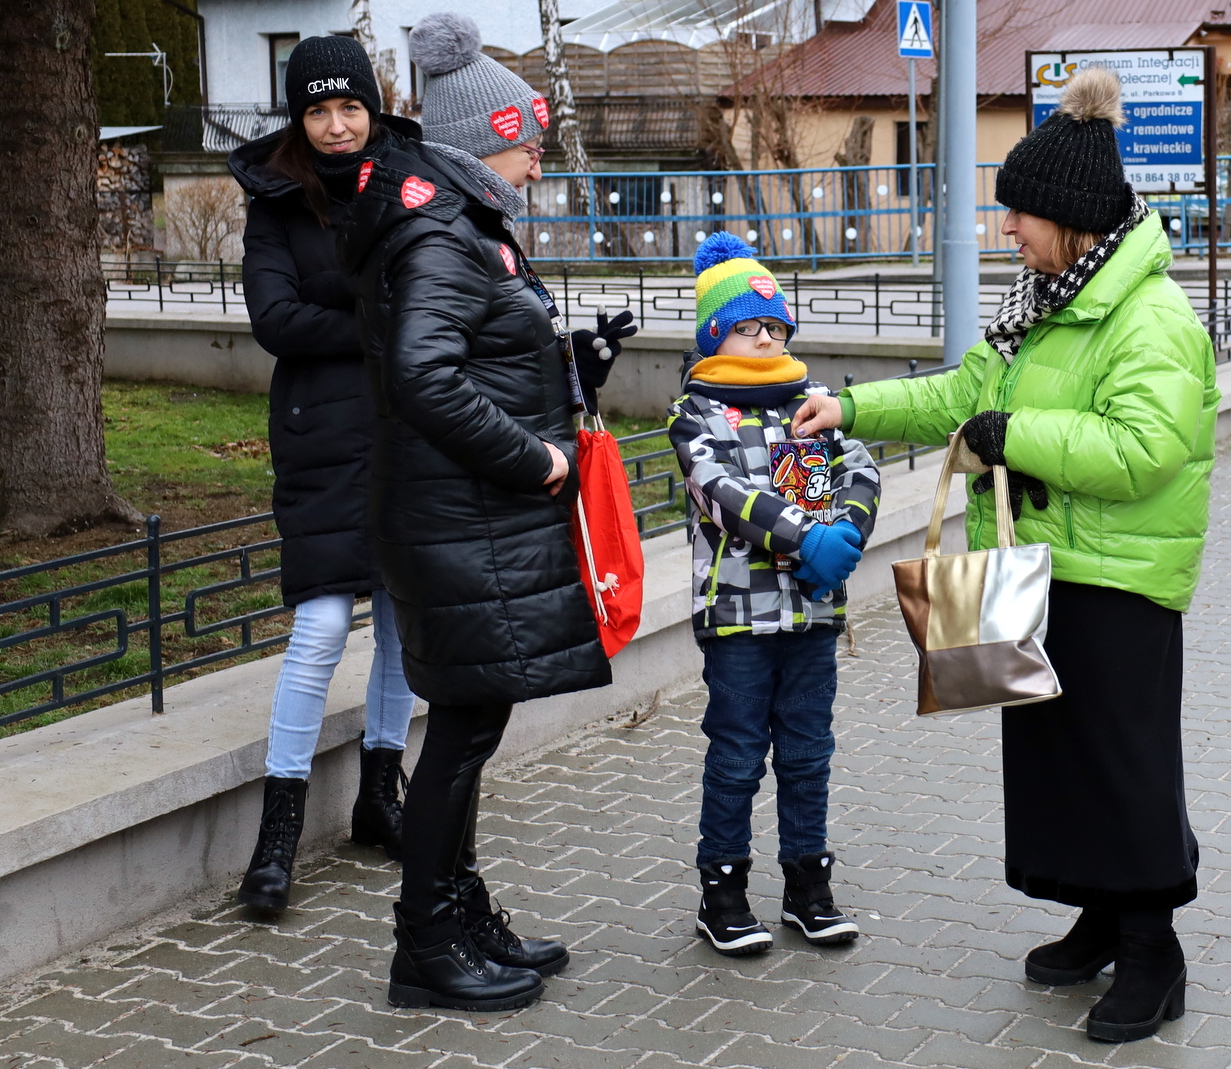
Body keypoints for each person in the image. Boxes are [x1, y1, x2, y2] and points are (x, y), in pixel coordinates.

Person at [793, 67, 1219, 1043]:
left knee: (1122, 762)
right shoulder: (1041, 304)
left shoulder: (1149, 319)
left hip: (1118, 577)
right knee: (1058, 758)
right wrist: (850, 408)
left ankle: (1155, 953)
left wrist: (1013, 434)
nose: (1005, 231)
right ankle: (1103, 914)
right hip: (1041, 562)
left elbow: (1139, 452)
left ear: (1069, 217)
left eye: (1018, 214)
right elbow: (959, 398)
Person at [336, 13, 632, 1012]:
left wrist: (568, 371)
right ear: (479, 141)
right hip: (459, 520)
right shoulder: (439, 233)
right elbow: (423, 376)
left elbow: (469, 359)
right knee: (463, 731)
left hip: (465, 519)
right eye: (525, 131)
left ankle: (459, 911)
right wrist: (538, 459)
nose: (539, 148)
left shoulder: (464, 222)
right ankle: (425, 943)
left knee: (471, 725)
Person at [229, 34, 422, 913]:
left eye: (351, 107)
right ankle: (277, 836)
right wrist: (374, 320)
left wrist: (351, 311)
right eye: (318, 109)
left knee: (397, 620)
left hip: (405, 428)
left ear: (373, 109)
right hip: (318, 439)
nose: (338, 126)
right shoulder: (275, 202)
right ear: (297, 118)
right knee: (316, 630)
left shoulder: (411, 178)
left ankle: (382, 797)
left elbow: (432, 292)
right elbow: (275, 320)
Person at [668, 233, 881, 956]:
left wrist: (844, 535)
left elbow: (860, 465)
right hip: (738, 621)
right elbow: (721, 493)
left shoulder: (808, 403)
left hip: (813, 614)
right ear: (715, 334)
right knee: (735, 755)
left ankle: (808, 885)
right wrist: (801, 537)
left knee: (807, 751)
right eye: (748, 327)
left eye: (775, 327)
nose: (765, 338)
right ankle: (721, 891)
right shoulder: (697, 414)